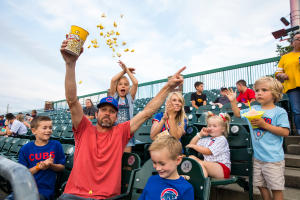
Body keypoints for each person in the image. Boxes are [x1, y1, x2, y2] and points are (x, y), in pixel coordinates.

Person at [58, 38, 186, 200]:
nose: (107, 113)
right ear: (96, 114)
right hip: (72, 196)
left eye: (112, 111)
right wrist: (70, 64)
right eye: (103, 109)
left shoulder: (121, 131)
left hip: (104, 198)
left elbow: (147, 112)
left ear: (117, 116)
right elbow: (71, 100)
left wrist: (167, 87)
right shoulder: (84, 128)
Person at [227, 76, 290, 200]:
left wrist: (264, 125)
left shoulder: (279, 112)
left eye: (264, 90)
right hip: (258, 158)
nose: (259, 93)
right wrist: (233, 101)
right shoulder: (254, 109)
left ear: (275, 93)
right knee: (261, 186)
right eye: (257, 90)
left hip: (273, 159)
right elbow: (238, 114)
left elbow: (285, 132)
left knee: (276, 189)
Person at [17, 116, 65, 200]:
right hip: (26, 188)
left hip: (45, 191)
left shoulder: (56, 145)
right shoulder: (25, 149)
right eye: (44, 128)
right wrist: (38, 166)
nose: (48, 130)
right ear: (33, 131)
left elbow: (62, 168)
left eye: (50, 127)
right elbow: (23, 174)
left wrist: (51, 165)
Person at [139, 135, 194, 200]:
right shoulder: (152, 180)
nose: (157, 168)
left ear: (178, 160)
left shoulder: (185, 188)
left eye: (162, 164)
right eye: (154, 162)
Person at [186, 112, 231, 178]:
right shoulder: (207, 139)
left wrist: (194, 146)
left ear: (223, 129)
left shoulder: (222, 139)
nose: (211, 128)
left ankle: (203, 182)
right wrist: (200, 134)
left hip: (222, 169)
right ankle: (202, 179)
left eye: (214, 126)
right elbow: (191, 144)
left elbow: (208, 151)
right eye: (209, 126)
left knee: (198, 163)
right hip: (209, 166)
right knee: (191, 158)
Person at [108, 60, 138, 153]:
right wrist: (124, 70)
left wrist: (127, 71)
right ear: (117, 87)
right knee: (114, 157)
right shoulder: (114, 96)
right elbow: (113, 80)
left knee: (126, 160)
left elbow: (135, 83)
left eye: (126, 84)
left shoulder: (130, 97)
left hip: (127, 132)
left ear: (128, 87)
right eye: (120, 84)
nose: (123, 86)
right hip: (114, 132)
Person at [275, 33, 300, 135]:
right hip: (292, 88)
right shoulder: (285, 57)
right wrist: (282, 75)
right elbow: (277, 73)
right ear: (292, 43)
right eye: (298, 39)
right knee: (297, 111)